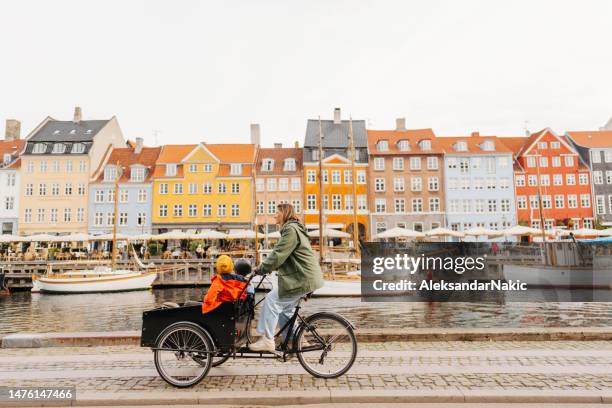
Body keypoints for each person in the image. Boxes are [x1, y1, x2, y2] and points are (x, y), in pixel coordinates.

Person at [249, 203, 324, 352]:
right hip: (305, 277)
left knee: (271, 300)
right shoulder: (294, 229)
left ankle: (267, 340)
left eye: (277, 212)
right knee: (286, 311)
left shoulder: (290, 230)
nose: (274, 215)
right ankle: (295, 340)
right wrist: (270, 268)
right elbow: (286, 256)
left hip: (302, 278)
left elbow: (278, 254)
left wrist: (260, 269)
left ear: (284, 213)